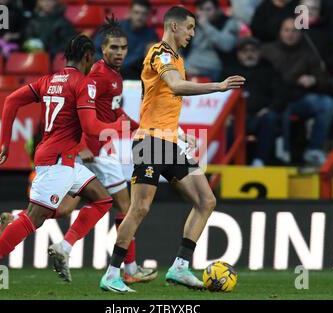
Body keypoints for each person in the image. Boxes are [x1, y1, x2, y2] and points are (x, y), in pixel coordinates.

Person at [99, 6, 245, 293]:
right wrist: (218, 86)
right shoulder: (161, 53)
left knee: (206, 200)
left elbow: (156, 103)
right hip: (151, 143)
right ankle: (112, 274)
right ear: (174, 27)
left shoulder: (176, 57)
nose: (192, 33)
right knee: (139, 207)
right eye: (190, 28)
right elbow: (175, 87)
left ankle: (180, 266)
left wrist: (179, 133)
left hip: (168, 141)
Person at [0, 34, 124, 294]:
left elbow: (11, 101)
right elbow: (92, 128)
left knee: (102, 199)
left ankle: (64, 246)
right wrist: (117, 126)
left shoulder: (49, 80)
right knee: (34, 219)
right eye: (92, 58)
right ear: (87, 57)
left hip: (65, 159)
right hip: (57, 161)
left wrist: (3, 143)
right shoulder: (83, 84)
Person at [47, 17, 157, 284]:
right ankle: (127, 268)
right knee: (126, 205)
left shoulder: (114, 76)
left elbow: (114, 110)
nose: (119, 53)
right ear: (102, 49)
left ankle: (21, 220)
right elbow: (80, 111)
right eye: (114, 48)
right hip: (95, 150)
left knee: (65, 208)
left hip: (95, 149)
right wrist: (83, 145)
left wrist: (138, 129)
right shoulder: (96, 76)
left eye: (123, 48)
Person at [262, 17, 333, 166]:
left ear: (301, 33)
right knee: (282, 108)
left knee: (326, 103)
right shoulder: (267, 51)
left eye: (295, 31)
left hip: (298, 98)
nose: (290, 34)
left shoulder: (309, 52)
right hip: (274, 98)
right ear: (280, 32)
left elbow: (326, 81)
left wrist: (314, 80)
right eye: (287, 30)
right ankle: (284, 152)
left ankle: (314, 150)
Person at [225, 37, 282, 167]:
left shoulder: (269, 71)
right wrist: (226, 115)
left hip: (258, 117)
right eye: (245, 51)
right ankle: (224, 166)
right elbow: (218, 95)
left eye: (253, 50)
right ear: (238, 54)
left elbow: (280, 95)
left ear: (259, 53)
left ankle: (259, 161)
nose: (249, 54)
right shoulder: (228, 72)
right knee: (224, 127)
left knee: (270, 118)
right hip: (234, 118)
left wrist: (270, 109)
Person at [94, 0, 158, 80]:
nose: (139, 17)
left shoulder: (151, 35)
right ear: (130, 12)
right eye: (136, 12)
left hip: (134, 77)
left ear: (148, 15)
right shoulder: (114, 28)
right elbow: (95, 50)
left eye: (144, 14)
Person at [184, 0, 240, 81]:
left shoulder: (228, 22)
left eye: (208, 9)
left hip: (214, 69)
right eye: (201, 9)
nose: (204, 13)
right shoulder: (190, 24)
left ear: (217, 10)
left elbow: (227, 46)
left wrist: (206, 26)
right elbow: (178, 49)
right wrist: (185, 67)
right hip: (189, 67)